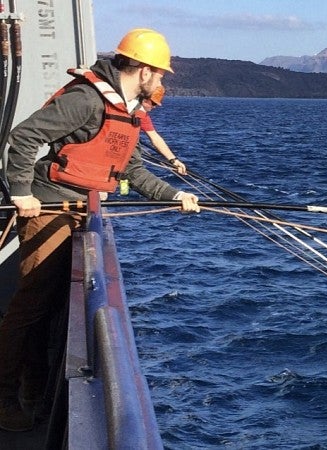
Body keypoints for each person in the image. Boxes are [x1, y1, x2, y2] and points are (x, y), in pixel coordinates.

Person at [0, 28, 200, 431]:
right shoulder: (87, 100)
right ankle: (4, 396)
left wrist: (174, 196)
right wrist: (22, 193)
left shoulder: (125, 110)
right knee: (29, 308)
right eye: (159, 74)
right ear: (142, 70)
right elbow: (23, 137)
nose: (161, 82)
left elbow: (132, 169)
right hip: (50, 209)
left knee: (50, 309)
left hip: (80, 212)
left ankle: (33, 390)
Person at [141, 85, 187, 175]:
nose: (154, 107)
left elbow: (155, 138)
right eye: (153, 103)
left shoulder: (143, 116)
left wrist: (173, 160)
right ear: (144, 99)